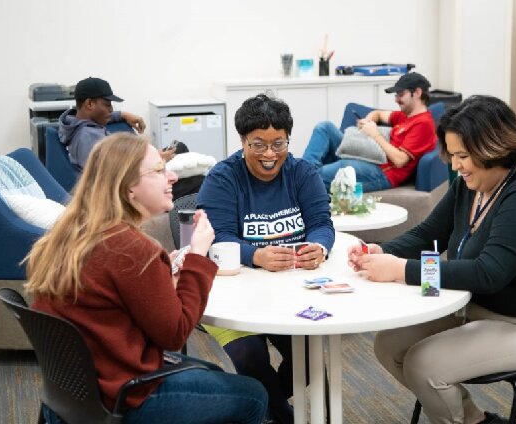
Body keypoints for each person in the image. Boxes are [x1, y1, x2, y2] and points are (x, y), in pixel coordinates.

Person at [347, 95, 516, 424]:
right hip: (489, 308)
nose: (455, 166)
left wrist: (402, 271)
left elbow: (488, 274)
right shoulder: (472, 185)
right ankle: (475, 419)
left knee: (424, 364)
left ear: (493, 149)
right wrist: (383, 252)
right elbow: (426, 233)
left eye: (463, 156)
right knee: (389, 344)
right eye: (453, 155)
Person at [24, 132, 268, 424]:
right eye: (158, 171)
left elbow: (120, 296)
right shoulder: (130, 249)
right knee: (253, 395)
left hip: (74, 396)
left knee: (210, 373)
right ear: (128, 188)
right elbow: (175, 333)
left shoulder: (72, 235)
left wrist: (166, 272)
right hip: (124, 397)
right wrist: (198, 255)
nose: (172, 178)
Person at [197, 94, 335, 424]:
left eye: (279, 143)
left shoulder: (303, 172)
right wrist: (255, 254)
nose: (270, 154)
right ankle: (282, 416)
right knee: (250, 355)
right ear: (243, 141)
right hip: (231, 291)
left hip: (290, 289)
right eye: (258, 144)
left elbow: (321, 223)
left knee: (309, 356)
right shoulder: (222, 178)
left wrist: (319, 246)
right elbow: (218, 238)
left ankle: (276, 408)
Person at [58, 76, 205, 199]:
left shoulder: (77, 123)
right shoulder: (88, 138)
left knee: (180, 148)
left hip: (134, 172)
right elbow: (116, 177)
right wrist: (155, 163)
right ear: (89, 103)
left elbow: (98, 119)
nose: (111, 110)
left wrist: (122, 115)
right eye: (107, 104)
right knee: (199, 181)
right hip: (130, 192)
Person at [302, 72, 437, 191]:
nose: (396, 100)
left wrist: (375, 134)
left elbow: (400, 160)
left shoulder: (423, 124)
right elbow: (377, 113)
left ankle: (302, 181)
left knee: (333, 171)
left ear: (417, 93)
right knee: (325, 127)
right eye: (396, 95)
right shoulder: (404, 115)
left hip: (382, 172)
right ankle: (302, 173)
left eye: (401, 94)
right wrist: (368, 121)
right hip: (370, 155)